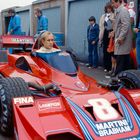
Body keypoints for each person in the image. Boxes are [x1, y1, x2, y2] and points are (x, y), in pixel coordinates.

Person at [111, 0, 132, 75]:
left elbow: (125, 25)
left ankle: (121, 79)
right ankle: (124, 79)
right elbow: (120, 25)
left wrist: (121, 38)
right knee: (124, 60)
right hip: (121, 40)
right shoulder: (119, 11)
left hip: (122, 41)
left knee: (121, 61)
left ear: (118, 2)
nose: (112, 5)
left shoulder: (123, 11)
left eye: (113, 3)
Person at [99, 2, 115, 72]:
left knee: (110, 51)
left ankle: (111, 67)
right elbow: (101, 26)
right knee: (105, 50)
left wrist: (110, 20)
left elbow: (115, 23)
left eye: (109, 8)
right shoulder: (103, 16)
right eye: (107, 8)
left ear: (111, 8)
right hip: (105, 32)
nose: (108, 9)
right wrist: (100, 37)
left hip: (111, 33)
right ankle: (105, 66)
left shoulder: (114, 14)